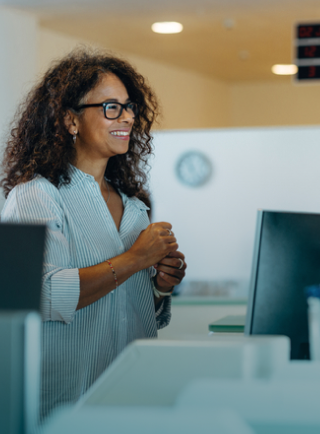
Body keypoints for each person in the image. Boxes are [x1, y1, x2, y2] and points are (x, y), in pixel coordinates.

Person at [0, 48, 187, 418]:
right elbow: (43, 294)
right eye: (111, 107)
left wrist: (160, 286)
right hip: (63, 406)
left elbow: (126, 311)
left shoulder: (135, 208)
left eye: (130, 106)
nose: (128, 117)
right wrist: (136, 259)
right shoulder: (36, 195)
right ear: (71, 120)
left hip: (132, 400)